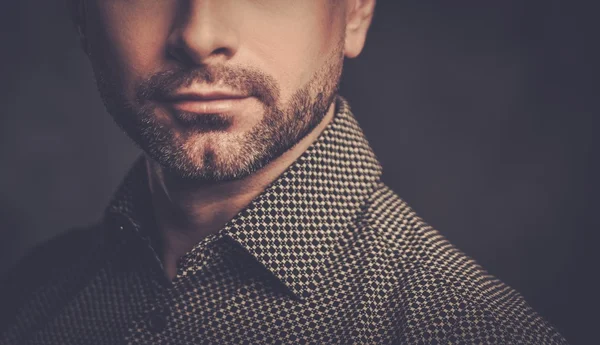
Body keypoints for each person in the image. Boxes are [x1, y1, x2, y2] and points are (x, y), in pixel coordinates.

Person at [0, 0, 568, 344]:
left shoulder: (471, 330)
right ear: (82, 15)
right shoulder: (32, 293)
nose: (199, 36)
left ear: (354, 12)